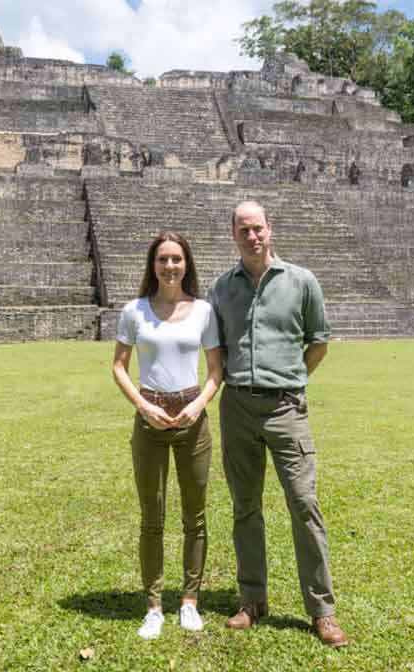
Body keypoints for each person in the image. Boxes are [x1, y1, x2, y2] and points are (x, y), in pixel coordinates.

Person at [208, 200, 350, 648]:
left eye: (258, 228)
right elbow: (218, 350)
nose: (252, 236)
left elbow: (319, 342)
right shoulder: (221, 288)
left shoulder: (302, 281)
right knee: (244, 507)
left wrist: (291, 381)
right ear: (234, 235)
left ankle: (322, 610)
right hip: (237, 407)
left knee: (304, 504)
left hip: (287, 408)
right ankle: (252, 600)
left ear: (270, 229)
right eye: (243, 230)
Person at [111, 232, 224, 640]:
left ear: (187, 264)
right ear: (152, 265)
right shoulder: (134, 311)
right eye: (163, 260)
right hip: (150, 417)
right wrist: (143, 406)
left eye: (177, 259)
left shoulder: (203, 311)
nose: (170, 266)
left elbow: (215, 370)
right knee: (151, 517)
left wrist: (198, 405)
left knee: (195, 515)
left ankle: (189, 600)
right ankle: (154, 606)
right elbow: (120, 367)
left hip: (193, 416)